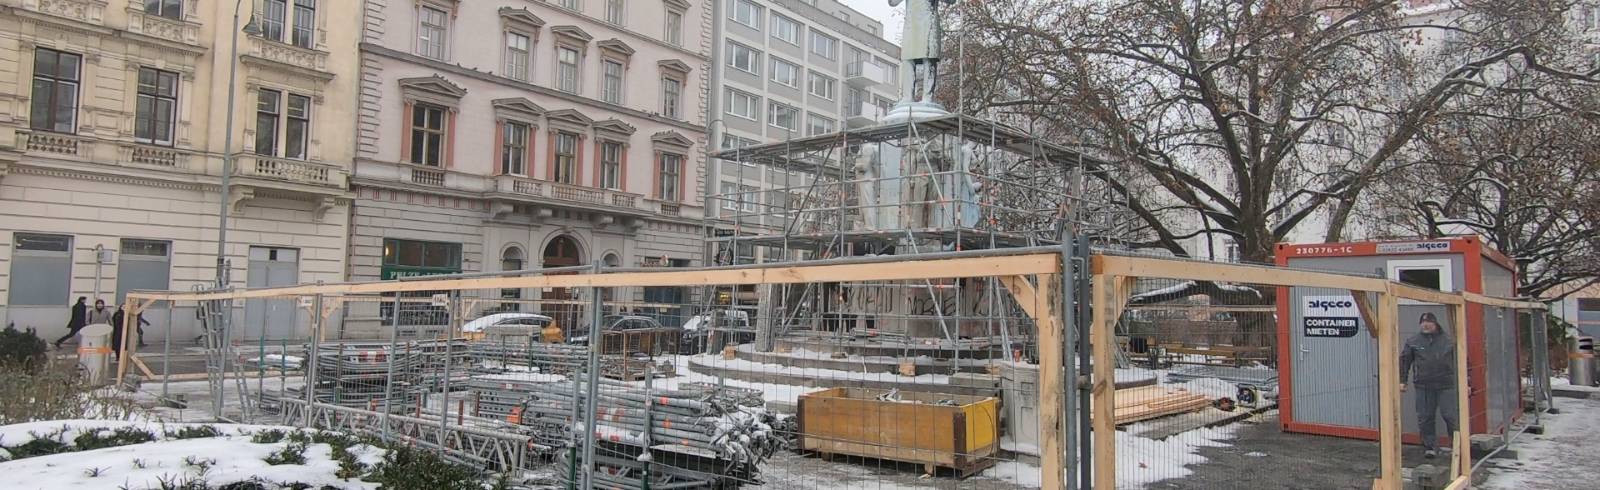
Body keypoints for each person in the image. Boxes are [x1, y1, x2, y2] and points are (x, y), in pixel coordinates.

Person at [1400, 311, 1459, 459]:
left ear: (1435, 324)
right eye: (1423, 323)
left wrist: (1468, 383)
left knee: (1451, 416)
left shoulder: (1449, 340)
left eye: (1429, 323)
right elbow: (1404, 362)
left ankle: (1457, 446)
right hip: (1424, 386)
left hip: (1447, 385)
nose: (1425, 325)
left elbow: (1463, 362)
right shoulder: (1413, 341)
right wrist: (1403, 381)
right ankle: (1430, 447)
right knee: (1425, 417)